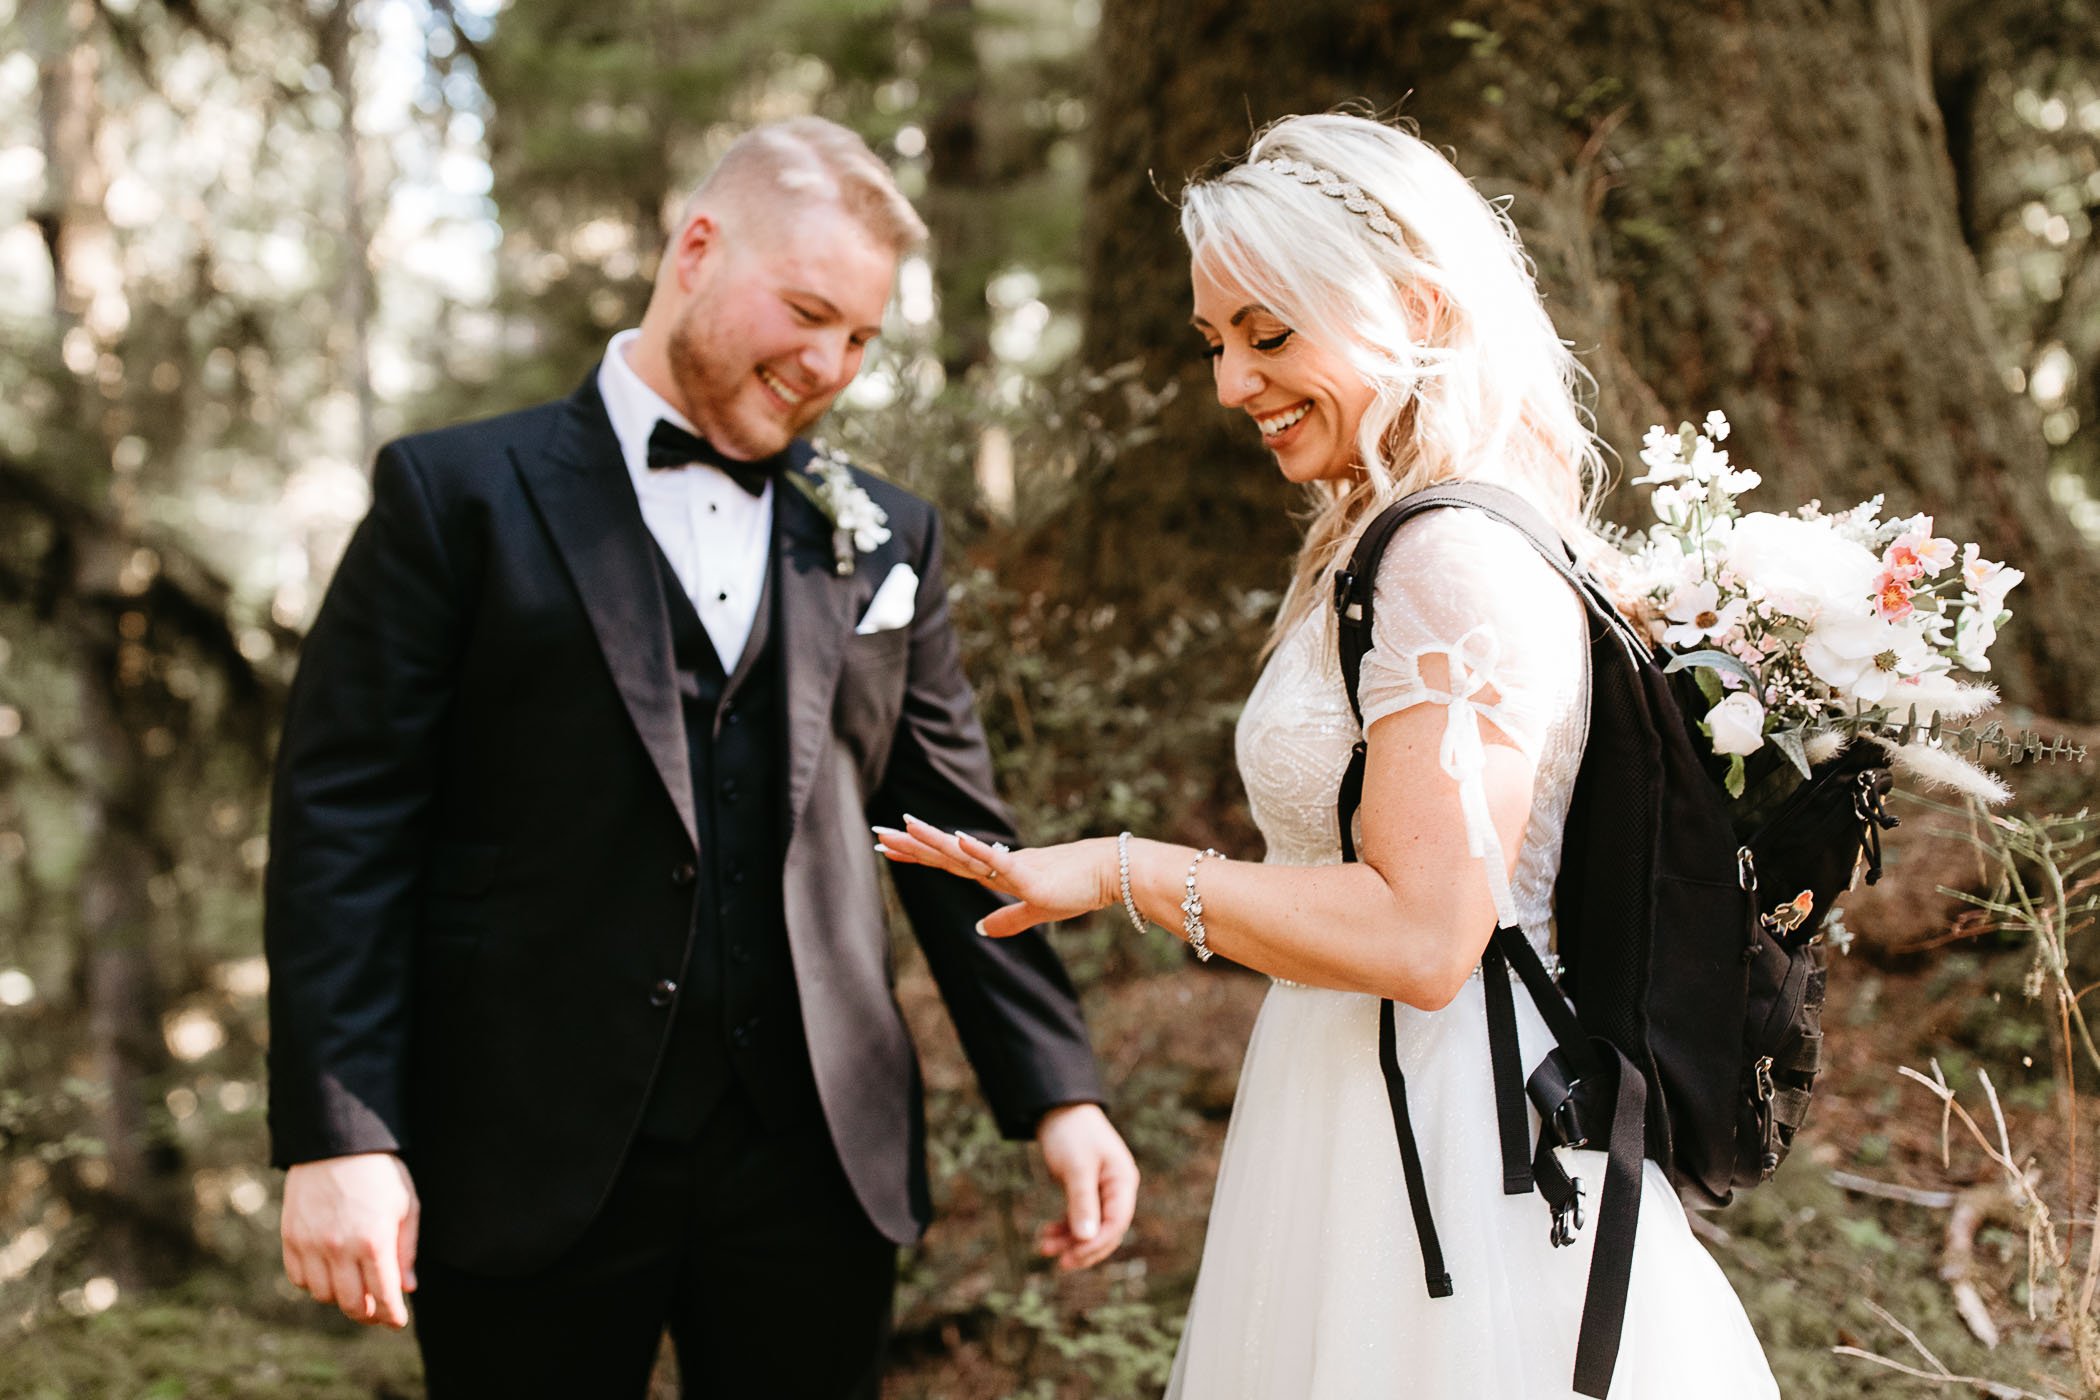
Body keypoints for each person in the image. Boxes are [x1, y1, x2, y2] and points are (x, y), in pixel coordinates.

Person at [877, 112, 1779, 1397]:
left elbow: (1423, 936)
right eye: (1214, 342)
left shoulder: (1446, 555)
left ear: (1412, 305)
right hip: (1346, 1103)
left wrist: (1124, 870)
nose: (1230, 384)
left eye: (1269, 334)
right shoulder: (1373, 538)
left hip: (1458, 1148)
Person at [264, 116, 1137, 1398]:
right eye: (808, 311)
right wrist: (343, 1131)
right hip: (524, 1153)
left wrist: (1060, 1088)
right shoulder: (453, 497)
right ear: (698, 249)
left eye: (861, 337)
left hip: (815, 1162)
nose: (831, 363)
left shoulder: (885, 535)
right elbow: (345, 827)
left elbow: (955, 836)